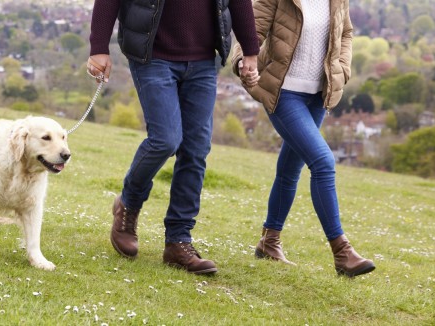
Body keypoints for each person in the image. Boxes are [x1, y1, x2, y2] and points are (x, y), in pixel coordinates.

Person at [86, 0, 259, 275]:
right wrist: (98, 48)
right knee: (165, 139)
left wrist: (250, 50)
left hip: (203, 60)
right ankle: (128, 204)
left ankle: (178, 241)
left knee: (196, 149)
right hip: (152, 56)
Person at [230, 0, 375, 277]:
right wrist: (242, 62)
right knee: (322, 161)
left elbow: (345, 32)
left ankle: (269, 242)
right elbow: (251, 29)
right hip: (283, 92)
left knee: (289, 170)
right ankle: (342, 251)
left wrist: (342, 69)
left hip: (318, 95)